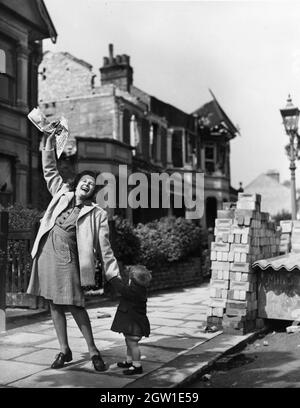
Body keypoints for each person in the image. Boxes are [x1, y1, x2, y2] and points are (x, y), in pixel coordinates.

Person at [27, 125, 119, 371]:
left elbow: (104, 247)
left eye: (92, 184)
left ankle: (93, 350)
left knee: (76, 305)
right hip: (46, 253)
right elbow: (49, 169)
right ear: (77, 183)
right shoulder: (61, 194)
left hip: (69, 259)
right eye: (85, 181)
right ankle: (64, 350)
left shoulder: (97, 213)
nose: (88, 184)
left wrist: (113, 275)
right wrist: (48, 140)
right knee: (54, 304)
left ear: (93, 191)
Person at [110, 265, 152, 375]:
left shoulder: (133, 291)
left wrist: (113, 278)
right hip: (133, 324)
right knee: (129, 342)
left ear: (132, 280)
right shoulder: (140, 289)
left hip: (135, 326)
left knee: (133, 344)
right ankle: (129, 361)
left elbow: (121, 289)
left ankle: (137, 366)